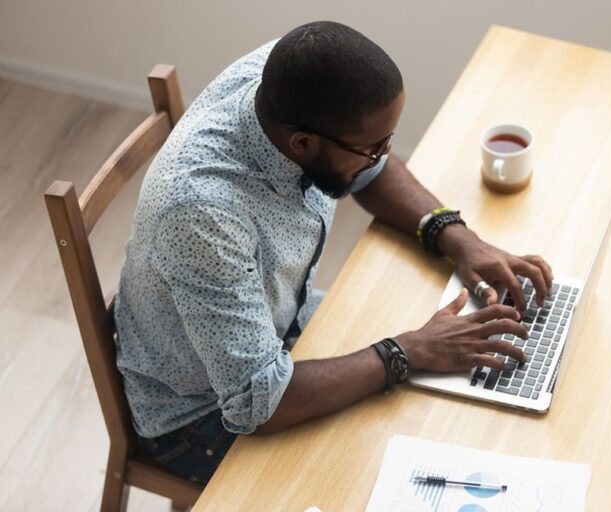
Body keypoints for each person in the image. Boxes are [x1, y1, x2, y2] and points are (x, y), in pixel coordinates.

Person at [114, 20, 553, 484]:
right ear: (301, 143)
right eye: (374, 147)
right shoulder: (202, 211)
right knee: (409, 460)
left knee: (454, 407)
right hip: (202, 415)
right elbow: (254, 402)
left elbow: (367, 170)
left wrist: (455, 236)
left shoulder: (293, 82)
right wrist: (409, 351)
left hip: (284, 329)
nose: (384, 154)